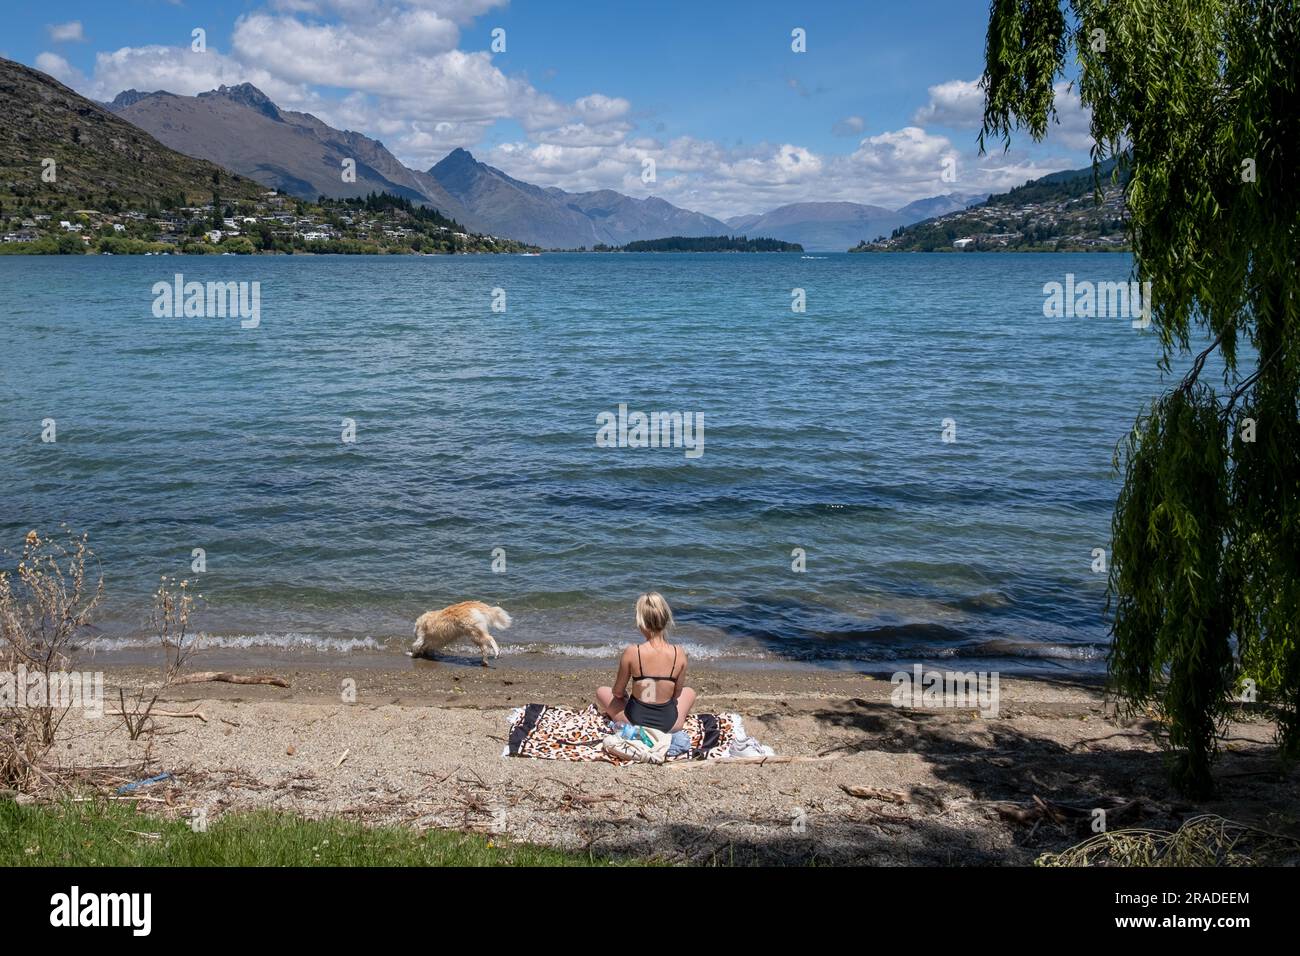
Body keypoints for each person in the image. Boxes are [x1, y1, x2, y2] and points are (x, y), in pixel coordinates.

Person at [595, 592, 696, 733]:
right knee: (689, 692)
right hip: (669, 724)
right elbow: (676, 695)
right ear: (666, 619)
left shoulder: (633, 652)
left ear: (641, 622)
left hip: (634, 723)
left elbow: (617, 692)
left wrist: (626, 696)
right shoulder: (678, 653)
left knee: (602, 691)